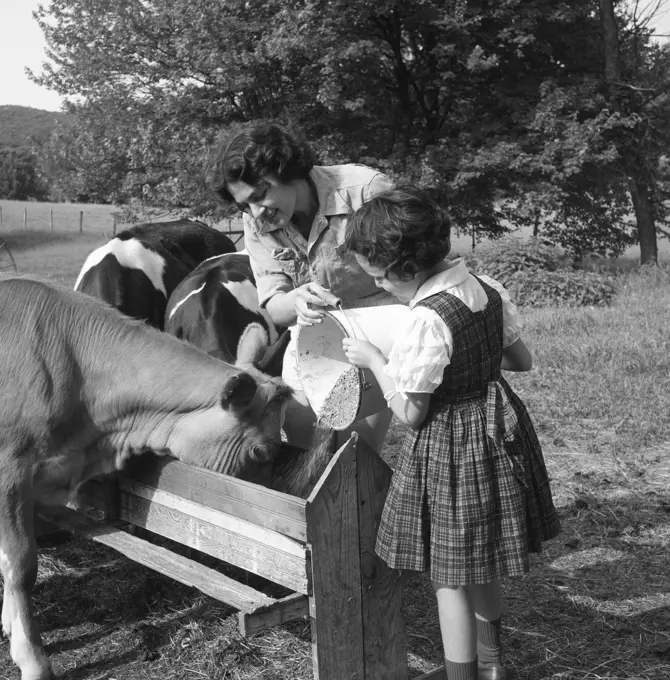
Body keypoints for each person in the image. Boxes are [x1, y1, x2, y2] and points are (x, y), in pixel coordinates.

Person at [339, 186, 561, 680]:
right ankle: (493, 666)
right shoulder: (487, 287)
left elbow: (410, 413)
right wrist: (470, 359)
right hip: (497, 430)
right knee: (479, 562)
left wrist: (376, 361)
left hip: (452, 445)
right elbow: (520, 361)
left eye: (379, 278)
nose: (381, 288)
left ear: (403, 268)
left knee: (449, 575)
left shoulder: (425, 317)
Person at [207, 122, 397, 451]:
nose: (255, 213)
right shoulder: (256, 222)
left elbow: (416, 275)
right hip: (313, 335)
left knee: (358, 452)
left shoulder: (365, 190)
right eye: (243, 206)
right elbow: (277, 309)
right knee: (302, 442)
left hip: (380, 334)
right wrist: (296, 300)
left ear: (287, 170)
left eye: (259, 195)